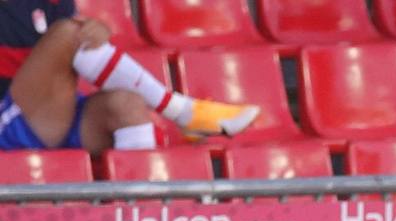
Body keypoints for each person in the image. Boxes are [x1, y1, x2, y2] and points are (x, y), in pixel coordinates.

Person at [0, 3, 257, 153]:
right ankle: (183, 112)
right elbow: (65, 39)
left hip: (52, 114)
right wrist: (73, 34)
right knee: (69, 34)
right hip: (8, 121)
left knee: (128, 106)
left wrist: (96, 31)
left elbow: (74, 47)